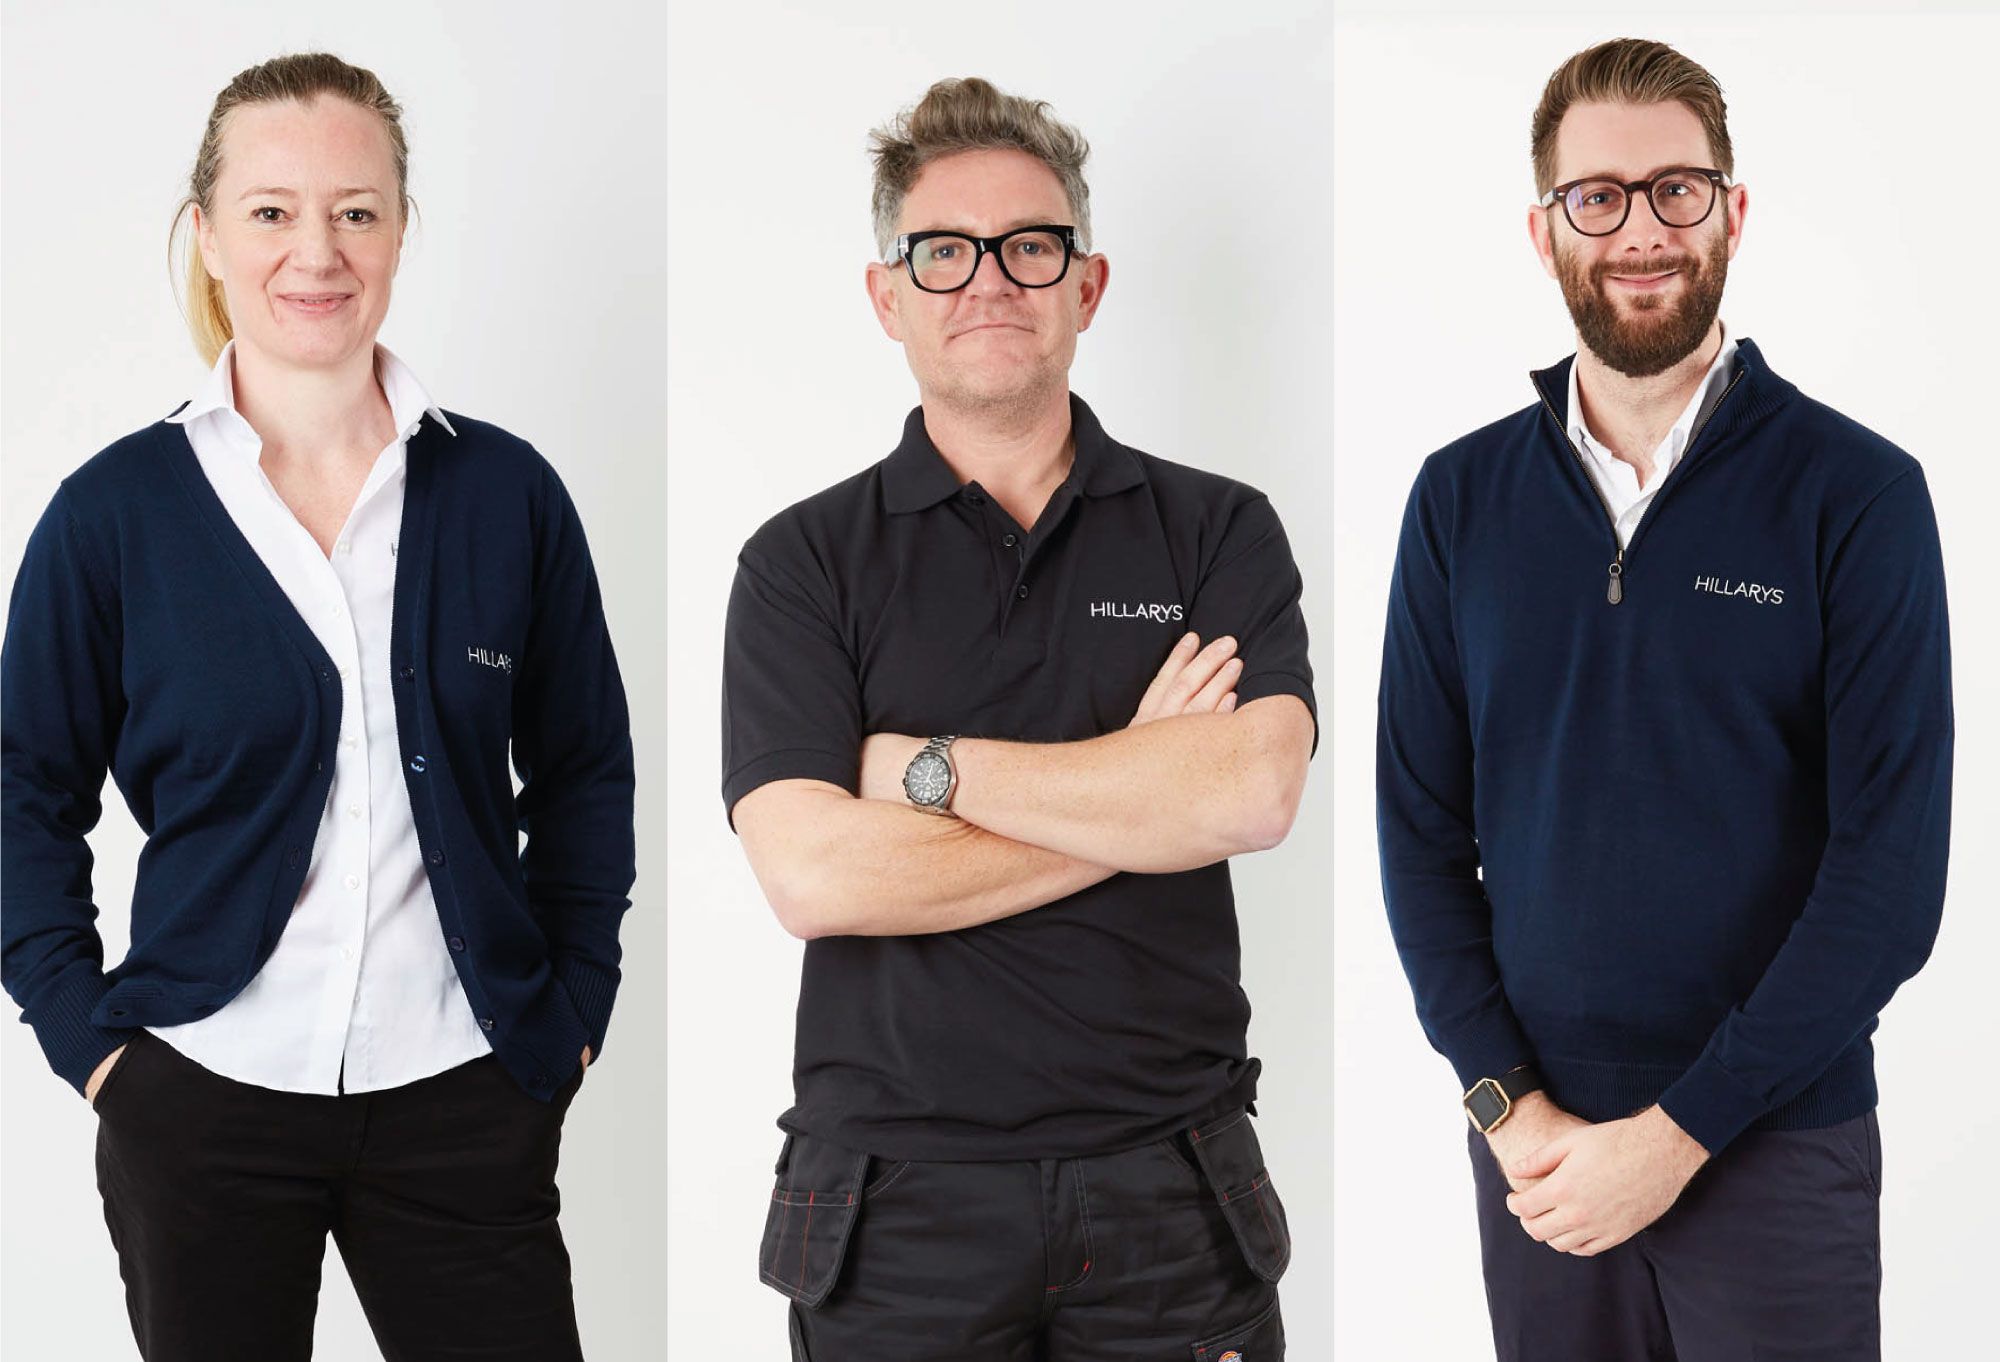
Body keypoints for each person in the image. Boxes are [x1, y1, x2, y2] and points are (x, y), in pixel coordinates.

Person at [0, 53, 633, 1361]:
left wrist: (569, 1019)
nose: (317, 251)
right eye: (273, 211)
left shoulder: (506, 495)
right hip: (201, 1099)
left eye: (355, 209)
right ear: (211, 238)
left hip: (467, 1089)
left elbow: (583, 773)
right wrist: (91, 1042)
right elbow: (20, 788)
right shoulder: (116, 514)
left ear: (400, 231)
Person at [1376, 37, 1952, 1362]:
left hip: (1777, 1147)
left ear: (1732, 212)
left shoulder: (1854, 495)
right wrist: (1510, 1109)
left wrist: (1682, 1130)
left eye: (1677, 191)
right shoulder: (1460, 503)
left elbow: (1891, 877)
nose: (1641, 229)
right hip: (1542, 1159)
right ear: (1546, 229)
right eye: (1599, 197)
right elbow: (1418, 836)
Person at [722, 76, 1315, 1359]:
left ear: (1084, 285)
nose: (988, 279)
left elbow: (1252, 795)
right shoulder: (799, 563)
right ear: (887, 297)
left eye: (1029, 246)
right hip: (892, 1211)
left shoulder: (1216, 529)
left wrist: (922, 771)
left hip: (1172, 1192)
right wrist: (1143, 789)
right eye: (943, 253)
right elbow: (814, 875)